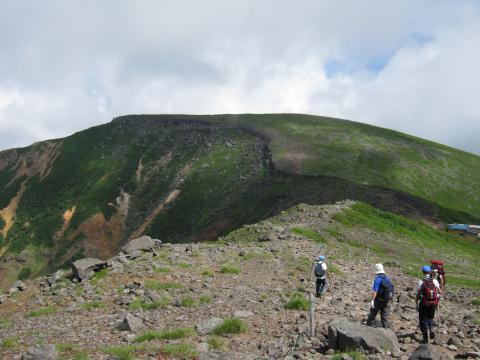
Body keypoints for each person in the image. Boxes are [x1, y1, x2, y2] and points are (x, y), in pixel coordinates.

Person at [416, 265, 441, 343]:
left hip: (424, 303)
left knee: (423, 319)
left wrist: (416, 302)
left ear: (423, 272)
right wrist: (437, 296)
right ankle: (431, 328)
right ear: (430, 272)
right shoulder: (434, 281)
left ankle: (425, 338)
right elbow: (440, 292)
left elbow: (418, 294)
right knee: (430, 317)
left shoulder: (421, 281)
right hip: (433, 303)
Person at [366, 263, 394, 329]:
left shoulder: (377, 279)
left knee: (372, 314)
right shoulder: (387, 278)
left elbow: (375, 291)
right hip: (386, 300)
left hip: (378, 300)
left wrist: (372, 300)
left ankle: (368, 327)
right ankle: (386, 329)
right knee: (384, 316)